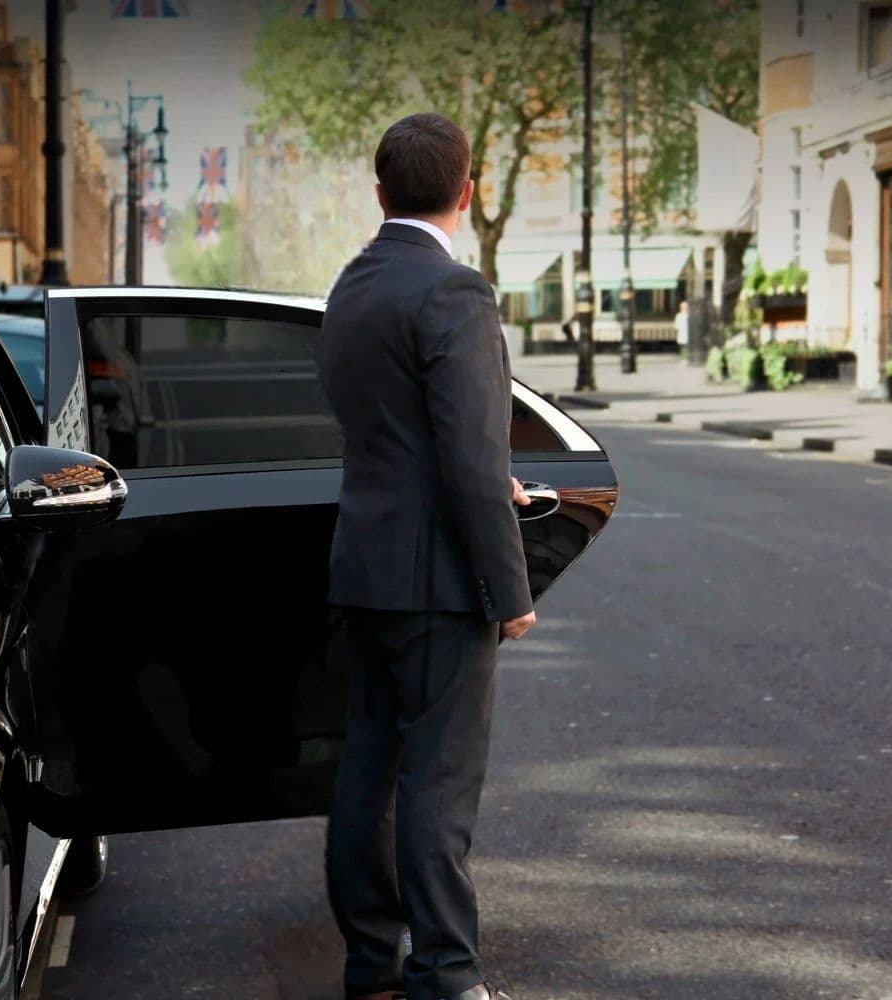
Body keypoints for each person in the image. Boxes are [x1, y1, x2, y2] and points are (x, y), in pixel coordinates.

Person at [317, 112, 535, 1000]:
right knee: (439, 789)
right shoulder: (455, 293)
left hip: (363, 566)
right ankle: (446, 975)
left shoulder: (350, 287)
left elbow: (397, 433)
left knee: (366, 776)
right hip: (439, 582)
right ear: (469, 189)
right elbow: (473, 459)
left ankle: (371, 965)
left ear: (381, 193)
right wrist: (509, 591)